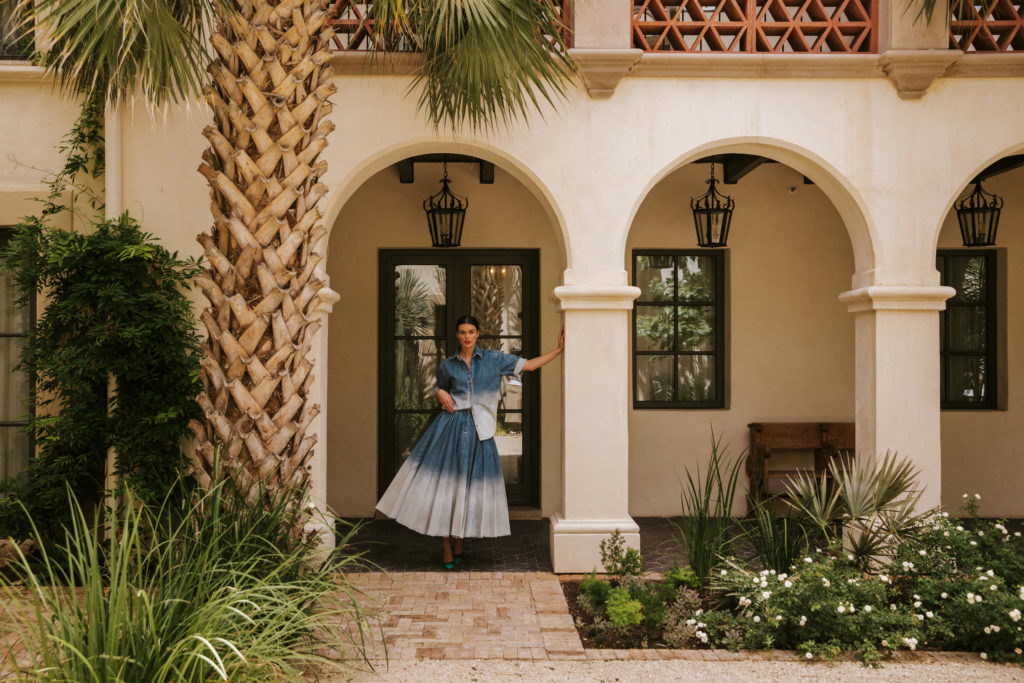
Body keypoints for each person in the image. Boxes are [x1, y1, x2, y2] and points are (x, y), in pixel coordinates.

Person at [376, 314, 564, 569]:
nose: (466, 336)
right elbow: (439, 390)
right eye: (462, 332)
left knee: (466, 489)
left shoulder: (494, 359)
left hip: (481, 434)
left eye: (471, 332)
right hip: (449, 430)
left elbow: (528, 366)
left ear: (478, 334)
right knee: (444, 489)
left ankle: (460, 541)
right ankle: (446, 545)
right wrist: (440, 392)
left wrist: (559, 350)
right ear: (457, 335)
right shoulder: (447, 365)